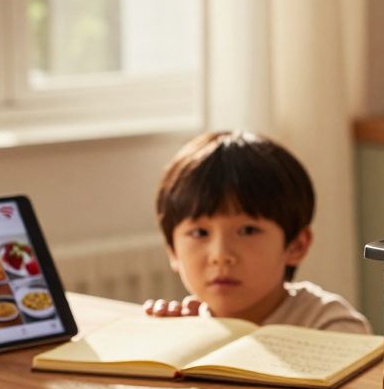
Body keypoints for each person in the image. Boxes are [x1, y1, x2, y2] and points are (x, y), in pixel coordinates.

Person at [144, 130, 371, 334]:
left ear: (296, 246)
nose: (221, 255)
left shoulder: (333, 327)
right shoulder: (187, 325)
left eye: (247, 230)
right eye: (199, 233)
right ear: (173, 251)